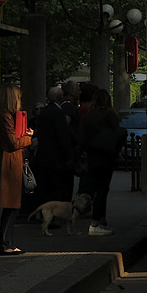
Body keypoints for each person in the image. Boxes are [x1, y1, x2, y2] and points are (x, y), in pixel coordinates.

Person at [0, 83, 33, 255]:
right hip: (9, 166)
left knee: (12, 206)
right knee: (11, 206)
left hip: (8, 163)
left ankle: (6, 243)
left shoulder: (3, 117)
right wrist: (28, 137)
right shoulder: (6, 117)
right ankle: (4, 244)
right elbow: (14, 143)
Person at [80, 88, 123, 236]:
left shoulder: (88, 117)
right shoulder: (109, 115)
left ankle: (100, 220)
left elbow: (83, 139)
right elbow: (117, 134)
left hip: (92, 157)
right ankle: (96, 222)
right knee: (103, 190)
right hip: (106, 157)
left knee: (96, 189)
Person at [32, 86, 76, 205]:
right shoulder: (58, 113)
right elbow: (62, 136)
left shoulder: (43, 112)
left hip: (43, 156)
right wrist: (68, 156)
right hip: (56, 158)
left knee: (46, 188)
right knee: (57, 188)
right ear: (60, 97)